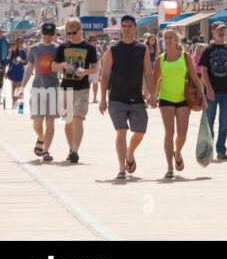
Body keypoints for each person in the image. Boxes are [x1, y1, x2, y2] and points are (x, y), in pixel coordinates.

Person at [97, 15, 154, 179]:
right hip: (116, 98)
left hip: (136, 97)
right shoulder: (113, 50)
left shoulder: (142, 49)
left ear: (135, 28)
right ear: (121, 28)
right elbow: (105, 75)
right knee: (121, 131)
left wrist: (152, 94)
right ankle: (122, 167)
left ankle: (130, 153)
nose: (126, 28)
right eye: (124, 26)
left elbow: (148, 74)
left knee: (140, 131)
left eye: (129, 26)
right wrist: (102, 99)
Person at [154, 28, 204, 178]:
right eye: (165, 38)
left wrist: (203, 97)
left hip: (183, 99)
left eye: (171, 37)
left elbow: (195, 78)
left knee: (182, 134)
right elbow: (154, 80)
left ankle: (177, 153)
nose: (168, 40)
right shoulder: (160, 60)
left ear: (176, 40)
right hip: (166, 98)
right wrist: (151, 96)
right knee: (169, 132)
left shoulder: (185, 56)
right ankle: (170, 167)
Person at [56, 17, 98, 164]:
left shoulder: (90, 48)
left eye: (74, 32)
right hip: (66, 87)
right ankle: (70, 148)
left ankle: (75, 151)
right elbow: (53, 67)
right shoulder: (63, 47)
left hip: (82, 89)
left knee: (78, 118)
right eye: (69, 33)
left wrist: (85, 72)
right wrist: (63, 65)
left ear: (80, 30)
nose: (71, 36)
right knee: (68, 121)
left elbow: (95, 69)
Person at [199, 21, 227, 161]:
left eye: (223, 29)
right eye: (218, 30)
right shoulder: (207, 50)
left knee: (225, 122)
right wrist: (208, 88)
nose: (221, 32)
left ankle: (221, 149)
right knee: (209, 122)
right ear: (213, 32)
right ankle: (209, 148)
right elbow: (204, 70)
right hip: (211, 92)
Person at [20, 22, 60, 162]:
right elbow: (29, 68)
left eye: (50, 34)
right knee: (37, 121)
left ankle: (46, 151)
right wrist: (22, 86)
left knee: (50, 121)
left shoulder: (59, 49)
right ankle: (41, 137)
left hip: (54, 87)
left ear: (54, 34)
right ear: (41, 33)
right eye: (45, 33)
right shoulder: (34, 49)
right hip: (37, 87)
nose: (48, 36)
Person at [5, 38, 27, 111]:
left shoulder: (22, 51)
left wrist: (20, 59)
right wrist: (10, 53)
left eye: (15, 44)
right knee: (13, 88)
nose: (14, 46)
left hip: (20, 71)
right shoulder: (10, 52)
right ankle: (14, 103)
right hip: (13, 72)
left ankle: (20, 103)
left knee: (19, 88)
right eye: (12, 44)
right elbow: (6, 62)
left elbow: (25, 62)